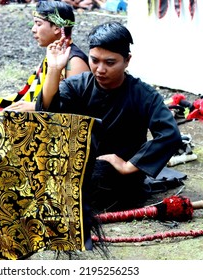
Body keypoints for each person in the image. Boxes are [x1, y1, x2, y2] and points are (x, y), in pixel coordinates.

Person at [32, 21, 183, 212]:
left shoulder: (144, 95)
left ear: (127, 60)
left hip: (116, 177)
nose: (100, 69)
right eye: (94, 60)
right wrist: (54, 70)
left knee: (96, 175)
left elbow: (169, 134)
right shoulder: (77, 85)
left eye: (110, 63)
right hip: (78, 164)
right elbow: (45, 115)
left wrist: (129, 165)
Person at [0, 1, 90, 115]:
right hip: (45, 113)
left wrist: (35, 107)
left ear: (56, 28)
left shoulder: (75, 62)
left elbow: (76, 111)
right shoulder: (55, 53)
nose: (33, 29)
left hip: (61, 124)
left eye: (38, 24)